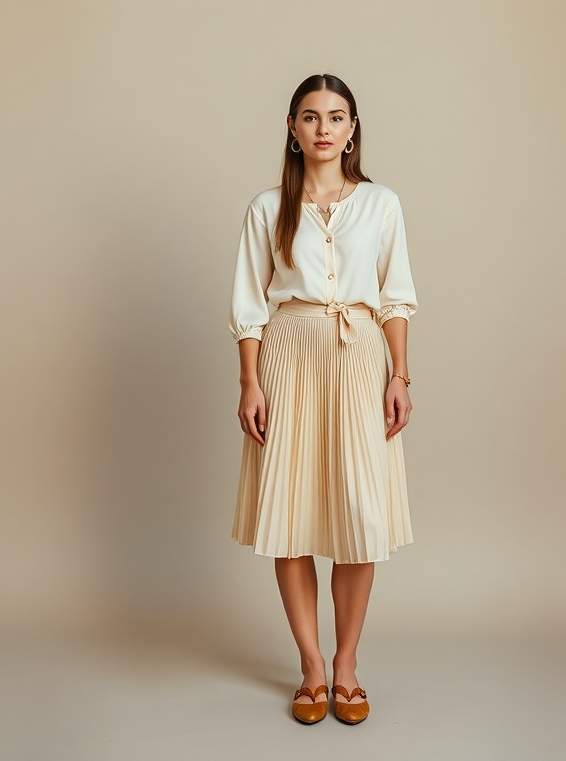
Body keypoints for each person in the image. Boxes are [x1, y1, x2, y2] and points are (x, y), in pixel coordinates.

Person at [228, 74, 418, 725]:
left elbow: (396, 296)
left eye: (336, 117)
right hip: (288, 355)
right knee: (292, 511)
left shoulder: (382, 205)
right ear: (291, 127)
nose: (324, 129)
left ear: (353, 128)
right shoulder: (265, 209)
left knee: (358, 518)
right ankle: (311, 667)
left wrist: (400, 375)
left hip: (359, 356)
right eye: (310, 117)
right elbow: (249, 308)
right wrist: (250, 382)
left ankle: (347, 665)